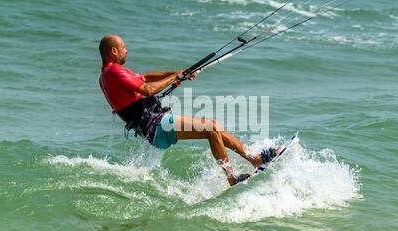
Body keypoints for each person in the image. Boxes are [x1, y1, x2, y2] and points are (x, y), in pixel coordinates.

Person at [98, 35, 279, 186]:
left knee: (212, 126)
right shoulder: (114, 72)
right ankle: (232, 178)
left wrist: (178, 73)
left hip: (152, 124)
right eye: (124, 47)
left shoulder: (106, 75)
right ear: (114, 51)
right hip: (154, 124)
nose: (126, 50)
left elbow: (144, 77)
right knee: (210, 128)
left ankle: (254, 159)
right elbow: (147, 89)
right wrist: (174, 78)